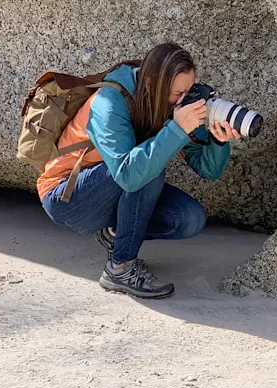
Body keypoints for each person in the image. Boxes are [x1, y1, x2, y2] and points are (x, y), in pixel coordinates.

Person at [37, 43, 240, 299]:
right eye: (178, 93)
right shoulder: (108, 102)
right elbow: (129, 174)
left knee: (189, 219)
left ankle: (115, 233)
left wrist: (218, 141)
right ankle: (119, 269)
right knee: (147, 171)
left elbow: (208, 169)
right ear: (152, 84)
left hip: (117, 187)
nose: (184, 100)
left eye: (188, 90)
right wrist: (177, 129)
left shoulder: (170, 103)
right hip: (67, 197)